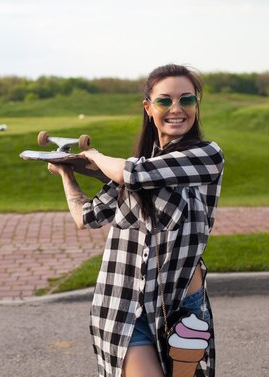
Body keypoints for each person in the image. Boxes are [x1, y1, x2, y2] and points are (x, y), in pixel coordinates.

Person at [48, 64, 224, 377]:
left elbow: (136, 173)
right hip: (124, 305)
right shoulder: (134, 168)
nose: (176, 109)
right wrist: (66, 174)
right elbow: (86, 216)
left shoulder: (206, 155)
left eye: (186, 100)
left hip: (181, 310)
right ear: (148, 107)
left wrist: (95, 157)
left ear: (197, 105)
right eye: (164, 101)